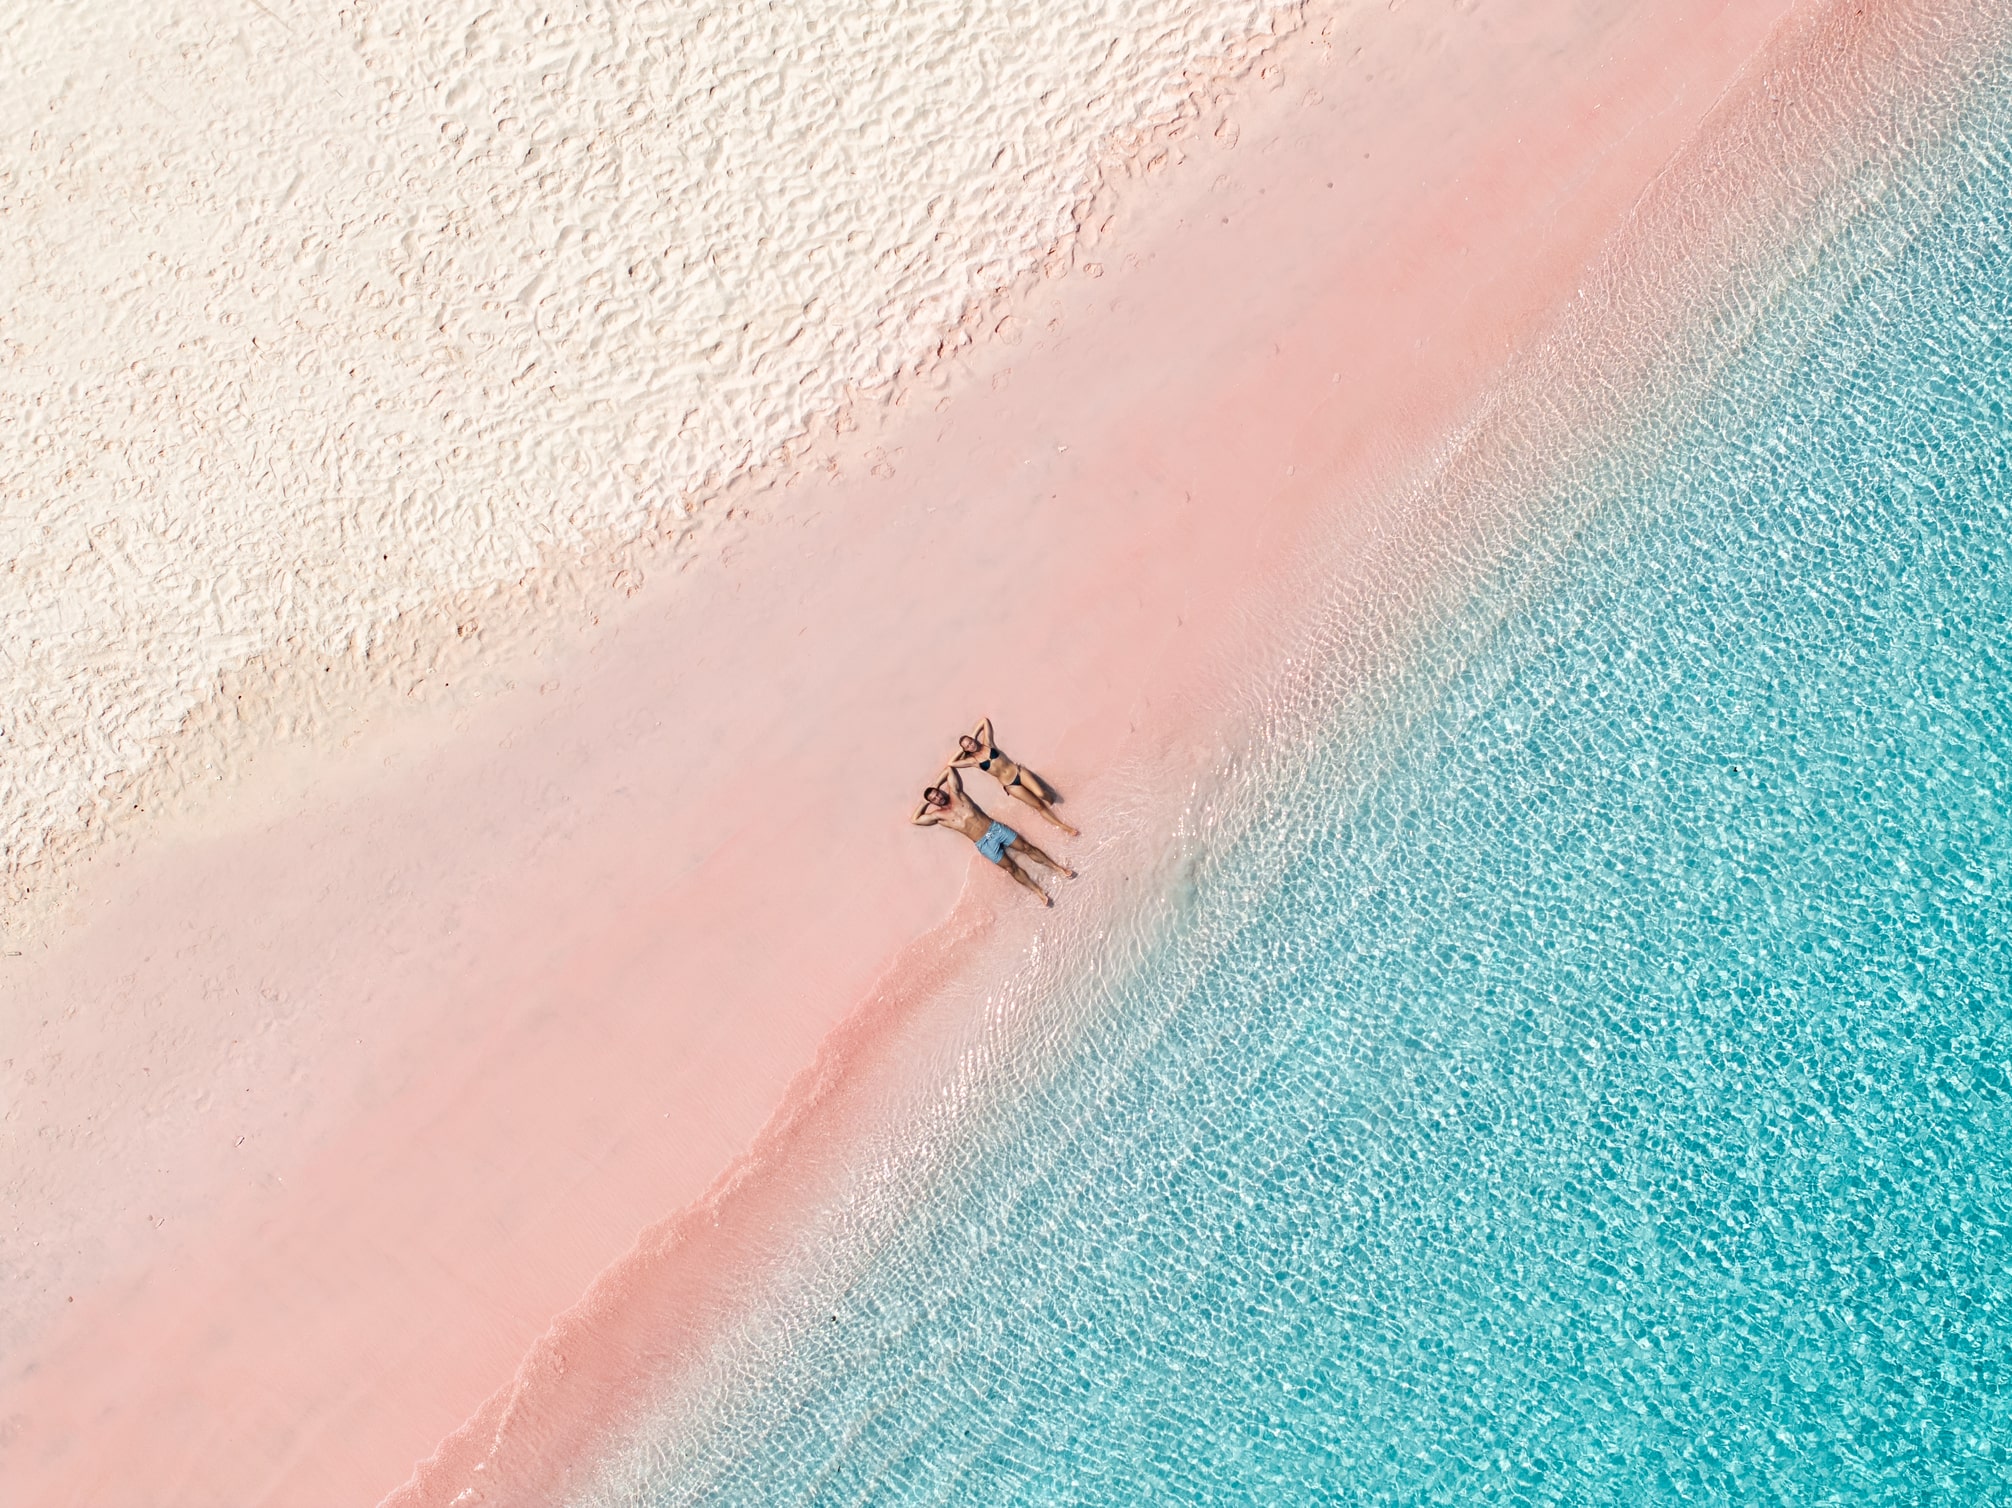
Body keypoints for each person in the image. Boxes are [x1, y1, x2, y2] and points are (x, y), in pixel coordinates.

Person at [911, 766, 1074, 905]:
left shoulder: (956, 794)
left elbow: (949, 770)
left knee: (1026, 848)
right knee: (1011, 868)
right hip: (983, 844)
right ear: (933, 803)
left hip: (994, 828)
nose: (938, 798)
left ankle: (1058, 868)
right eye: (934, 799)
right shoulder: (939, 816)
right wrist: (926, 801)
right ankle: (1038, 891)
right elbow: (915, 819)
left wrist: (934, 786)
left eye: (937, 794)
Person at [947, 716, 1078, 836]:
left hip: (1018, 772)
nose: (971, 745)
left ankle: (1055, 803)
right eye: (968, 746)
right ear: (966, 750)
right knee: (1038, 806)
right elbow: (951, 763)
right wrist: (962, 748)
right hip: (1010, 785)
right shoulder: (974, 761)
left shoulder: (988, 743)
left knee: (1042, 794)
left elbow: (984, 721)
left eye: (970, 742)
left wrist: (972, 735)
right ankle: (1065, 827)